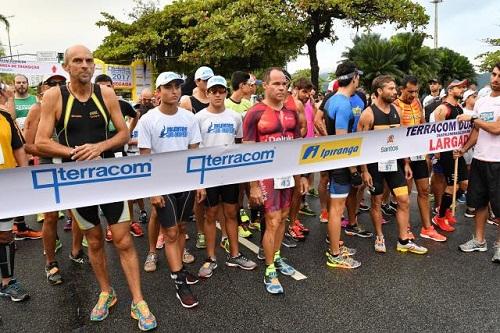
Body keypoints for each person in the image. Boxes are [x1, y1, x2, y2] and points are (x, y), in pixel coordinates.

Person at [35, 45, 156, 330]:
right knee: (95, 240)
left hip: (109, 177)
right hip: (78, 183)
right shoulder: (54, 96)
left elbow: (124, 133)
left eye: (89, 60)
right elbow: (41, 141)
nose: (85, 65)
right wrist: (74, 152)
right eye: (78, 61)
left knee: (124, 240)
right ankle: (106, 292)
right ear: (66, 67)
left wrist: (99, 147)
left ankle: (138, 299)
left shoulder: (106, 93)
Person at [137, 71, 205, 308]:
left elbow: (195, 153)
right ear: (158, 92)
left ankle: (181, 269)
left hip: (185, 183)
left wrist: (199, 183)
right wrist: (153, 191)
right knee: (172, 233)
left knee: (183, 227)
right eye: (168, 87)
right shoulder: (148, 120)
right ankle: (178, 282)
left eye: (177, 86)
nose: (174, 91)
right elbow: (144, 159)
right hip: (162, 183)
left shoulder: (189, 118)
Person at [243, 67, 308, 294]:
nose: (281, 88)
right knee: (271, 220)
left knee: (282, 219)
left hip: (287, 174)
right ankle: (269, 269)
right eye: (276, 84)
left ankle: (277, 256)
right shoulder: (254, 113)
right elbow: (247, 152)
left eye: (284, 84)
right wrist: (252, 185)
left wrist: (300, 177)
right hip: (266, 175)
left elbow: (297, 148)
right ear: (265, 86)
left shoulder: (292, 112)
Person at [23, 74, 88, 285]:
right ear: (44, 87)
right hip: (48, 164)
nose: (57, 87)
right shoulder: (37, 108)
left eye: (61, 83)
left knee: (79, 211)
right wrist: (54, 150)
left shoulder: (75, 103)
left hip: (73, 163)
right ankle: (50, 262)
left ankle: (76, 251)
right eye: (52, 84)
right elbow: (28, 144)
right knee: (50, 216)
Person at [194, 75, 257, 278]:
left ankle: (235, 255)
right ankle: (211, 258)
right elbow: (195, 151)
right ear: (208, 93)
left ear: (226, 93)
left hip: (230, 174)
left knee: (232, 214)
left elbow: (238, 145)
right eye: (214, 91)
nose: (218, 94)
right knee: (211, 215)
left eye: (221, 91)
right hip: (209, 175)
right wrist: (199, 182)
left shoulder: (234, 117)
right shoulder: (199, 118)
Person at [357, 75, 427, 255]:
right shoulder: (368, 114)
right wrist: (364, 171)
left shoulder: (396, 109)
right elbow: (360, 145)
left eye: (395, 88)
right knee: (376, 201)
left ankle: (404, 239)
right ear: (379, 91)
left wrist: (405, 163)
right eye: (390, 88)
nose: (395, 91)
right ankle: (379, 235)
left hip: (395, 163)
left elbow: (400, 139)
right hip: (374, 166)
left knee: (403, 199)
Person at [323, 61, 365, 269]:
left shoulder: (333, 99)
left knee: (336, 208)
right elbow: (342, 142)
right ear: (354, 77)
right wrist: (353, 170)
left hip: (337, 161)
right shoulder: (342, 103)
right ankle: (335, 254)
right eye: (358, 77)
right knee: (337, 210)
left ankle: (335, 243)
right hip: (341, 163)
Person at [394, 75, 446, 242]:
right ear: (401, 89)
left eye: (416, 91)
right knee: (406, 194)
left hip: (419, 154)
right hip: (403, 156)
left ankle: (427, 228)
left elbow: (423, 125)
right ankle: (406, 226)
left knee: (424, 190)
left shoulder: (417, 103)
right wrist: (405, 159)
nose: (414, 95)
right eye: (410, 91)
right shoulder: (395, 106)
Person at [457, 63, 500, 261]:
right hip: (480, 159)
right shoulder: (482, 101)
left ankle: (499, 245)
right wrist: (464, 149)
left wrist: (473, 119)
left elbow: (496, 128)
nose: (495, 79)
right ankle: (479, 240)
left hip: (497, 161)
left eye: (499, 76)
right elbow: (477, 131)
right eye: (494, 74)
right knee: (479, 202)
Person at [93, 74, 144, 241]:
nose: (104, 89)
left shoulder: (121, 104)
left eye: (108, 86)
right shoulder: (91, 105)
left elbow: (135, 114)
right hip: (100, 155)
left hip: (120, 152)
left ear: (113, 86)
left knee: (126, 189)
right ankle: (110, 226)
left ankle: (130, 222)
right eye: (100, 86)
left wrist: (128, 131)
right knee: (107, 192)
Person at [0, 83, 30, 302]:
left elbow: (18, 146)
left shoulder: (4, 117)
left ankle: (7, 282)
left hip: (5, 185)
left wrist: (25, 176)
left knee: (4, 234)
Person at [179, 66, 214, 249]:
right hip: (197, 153)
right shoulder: (187, 100)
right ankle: (200, 232)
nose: (208, 83)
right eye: (205, 80)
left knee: (218, 200)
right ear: (197, 81)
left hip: (214, 153)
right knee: (199, 197)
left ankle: (222, 233)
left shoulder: (215, 96)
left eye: (211, 79)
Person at [431, 79, 469, 232]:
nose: (462, 90)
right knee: (452, 186)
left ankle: (445, 209)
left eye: (463, 87)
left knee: (464, 184)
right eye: (459, 87)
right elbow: (436, 133)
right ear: (451, 89)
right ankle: (439, 217)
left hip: (458, 151)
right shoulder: (442, 109)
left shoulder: (459, 107)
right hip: (447, 154)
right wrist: (438, 154)